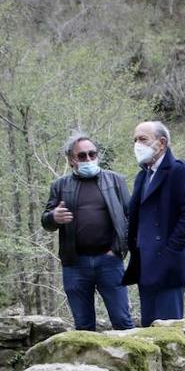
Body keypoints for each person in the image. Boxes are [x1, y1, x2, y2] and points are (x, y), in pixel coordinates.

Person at [41, 134, 134, 331]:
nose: (89, 159)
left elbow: (131, 218)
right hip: (75, 264)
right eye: (82, 156)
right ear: (71, 160)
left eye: (92, 154)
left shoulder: (116, 181)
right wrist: (53, 217)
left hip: (110, 261)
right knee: (83, 326)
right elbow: (46, 221)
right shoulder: (60, 186)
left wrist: (118, 248)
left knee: (123, 321)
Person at [121, 121, 185, 326]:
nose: (137, 145)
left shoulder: (178, 170)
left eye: (143, 139)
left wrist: (171, 250)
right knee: (149, 328)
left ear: (161, 143)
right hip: (145, 264)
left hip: (168, 264)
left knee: (169, 331)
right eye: (135, 140)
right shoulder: (143, 175)